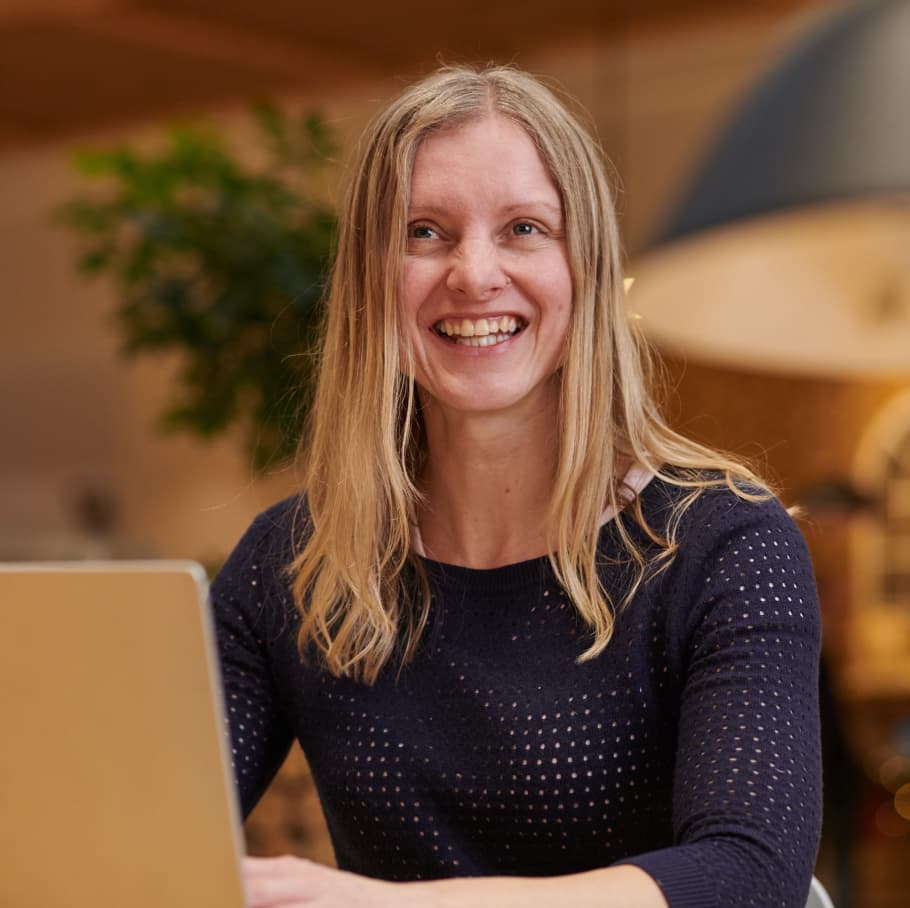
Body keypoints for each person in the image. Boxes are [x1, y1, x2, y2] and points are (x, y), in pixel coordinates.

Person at [212, 65, 822, 908]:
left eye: (525, 228)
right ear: (368, 279)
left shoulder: (724, 545)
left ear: (586, 267)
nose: (473, 273)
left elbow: (748, 878)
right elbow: (141, 831)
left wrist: (392, 907)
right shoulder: (289, 564)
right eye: (423, 232)